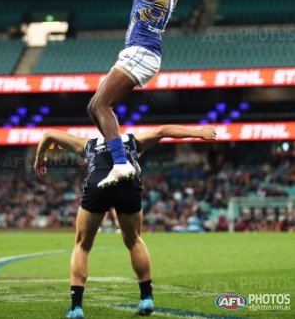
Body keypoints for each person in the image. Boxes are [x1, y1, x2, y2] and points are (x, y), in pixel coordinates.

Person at [34, 124, 216, 319]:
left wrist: (40, 158)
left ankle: (76, 308)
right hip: (128, 184)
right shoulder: (132, 141)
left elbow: (49, 134)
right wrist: (199, 133)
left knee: (82, 245)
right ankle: (146, 298)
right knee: (134, 240)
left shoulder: (88, 144)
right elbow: (163, 131)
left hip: (98, 184)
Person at [87, 0, 189, 189]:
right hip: (145, 53)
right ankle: (115, 153)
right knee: (93, 107)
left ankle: (121, 162)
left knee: (102, 105)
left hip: (140, 52)